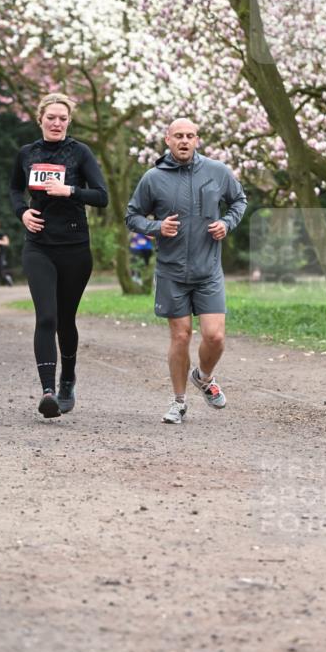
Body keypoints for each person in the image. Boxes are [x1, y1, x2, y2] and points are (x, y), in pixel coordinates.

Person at [125, 117, 247, 424]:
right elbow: (132, 216)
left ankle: (203, 377)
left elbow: (238, 201)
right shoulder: (153, 177)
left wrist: (227, 223)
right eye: (178, 135)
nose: (184, 141)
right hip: (171, 271)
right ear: (167, 139)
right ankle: (178, 402)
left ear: (197, 140)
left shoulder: (217, 172)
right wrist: (156, 227)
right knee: (181, 336)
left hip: (208, 270)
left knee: (215, 336)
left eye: (190, 136)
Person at [9, 92, 108, 418]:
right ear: (40, 119)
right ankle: (48, 391)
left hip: (75, 247)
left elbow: (102, 197)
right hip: (38, 245)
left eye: (62, 118)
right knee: (46, 317)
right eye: (51, 117)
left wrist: (71, 191)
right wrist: (22, 212)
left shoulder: (80, 153)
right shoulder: (27, 153)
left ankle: (67, 378)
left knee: (65, 320)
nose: (56, 123)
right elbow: (13, 189)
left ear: (69, 121)